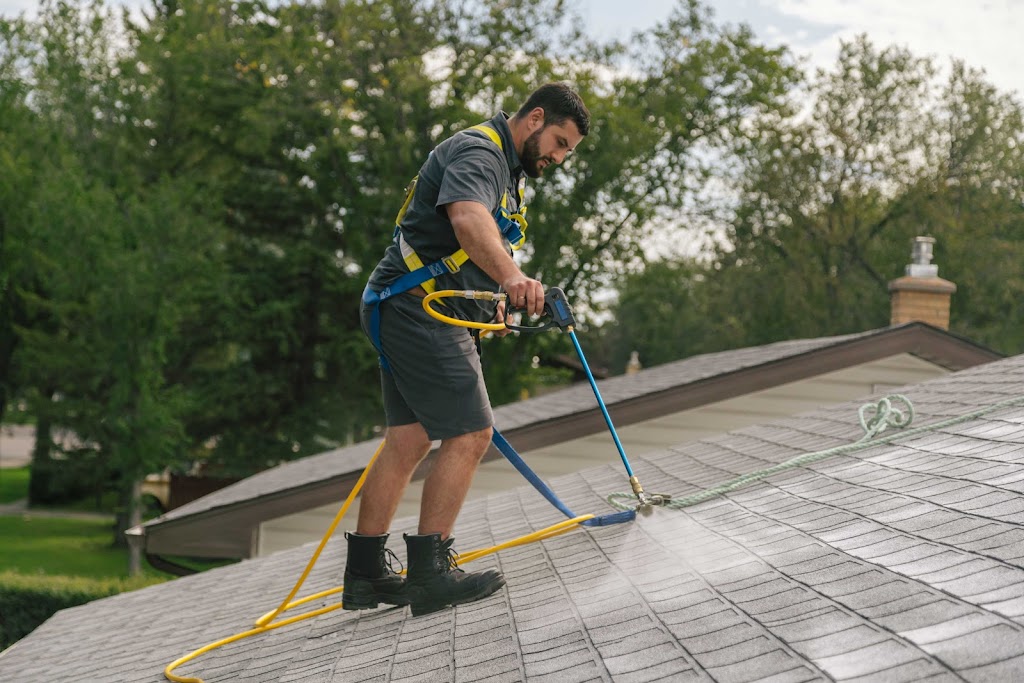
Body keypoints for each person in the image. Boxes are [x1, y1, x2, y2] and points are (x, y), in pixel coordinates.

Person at [345, 83, 590, 617]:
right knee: (471, 433)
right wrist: (513, 277)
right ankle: (429, 577)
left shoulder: (508, 170)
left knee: (408, 440)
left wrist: (491, 303)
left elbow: (467, 248)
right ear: (535, 118)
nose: (559, 157)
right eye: (559, 142)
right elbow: (466, 218)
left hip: (405, 303)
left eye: (567, 151)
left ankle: (364, 576)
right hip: (415, 304)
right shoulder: (481, 152)